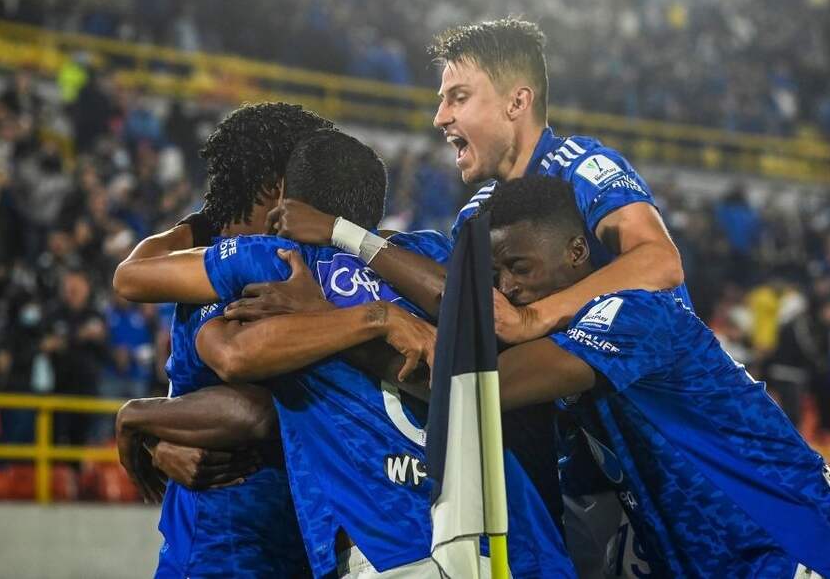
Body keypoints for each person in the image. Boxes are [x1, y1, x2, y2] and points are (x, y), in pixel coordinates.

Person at [262, 17, 686, 576]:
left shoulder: (582, 166)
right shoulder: (476, 215)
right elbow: (465, 324)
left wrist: (534, 318)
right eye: (441, 101)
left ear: (517, 101)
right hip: (579, 467)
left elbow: (660, 261)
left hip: (666, 445)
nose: (441, 118)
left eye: (458, 98)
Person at [115, 128, 575, 578]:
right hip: (510, 534)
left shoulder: (272, 263)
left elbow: (141, 284)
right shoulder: (424, 253)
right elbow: (469, 306)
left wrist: (140, 418)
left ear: (286, 202)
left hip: (389, 545)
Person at [472, 176, 830, 578]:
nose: (506, 287)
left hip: (813, 556)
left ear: (577, 251)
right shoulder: (572, 351)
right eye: (496, 277)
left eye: (519, 267)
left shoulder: (636, 312)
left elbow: (486, 384)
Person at [115, 101, 334, 578]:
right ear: (279, 186)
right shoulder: (240, 268)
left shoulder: (264, 263)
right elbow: (246, 405)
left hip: (263, 543)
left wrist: (146, 421)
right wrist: (154, 430)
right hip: (231, 548)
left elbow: (252, 403)